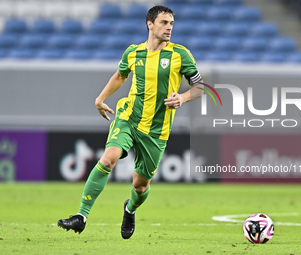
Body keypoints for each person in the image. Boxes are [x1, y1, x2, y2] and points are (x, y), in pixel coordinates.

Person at [58, 4, 204, 239]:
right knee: (108, 158)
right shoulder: (133, 53)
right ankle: (81, 216)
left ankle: (130, 208)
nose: (169, 28)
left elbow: (200, 87)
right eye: (164, 23)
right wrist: (101, 98)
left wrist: (183, 97)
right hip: (129, 117)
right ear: (150, 24)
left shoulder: (180, 54)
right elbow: (120, 76)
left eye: (172, 24)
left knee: (140, 186)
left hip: (157, 130)